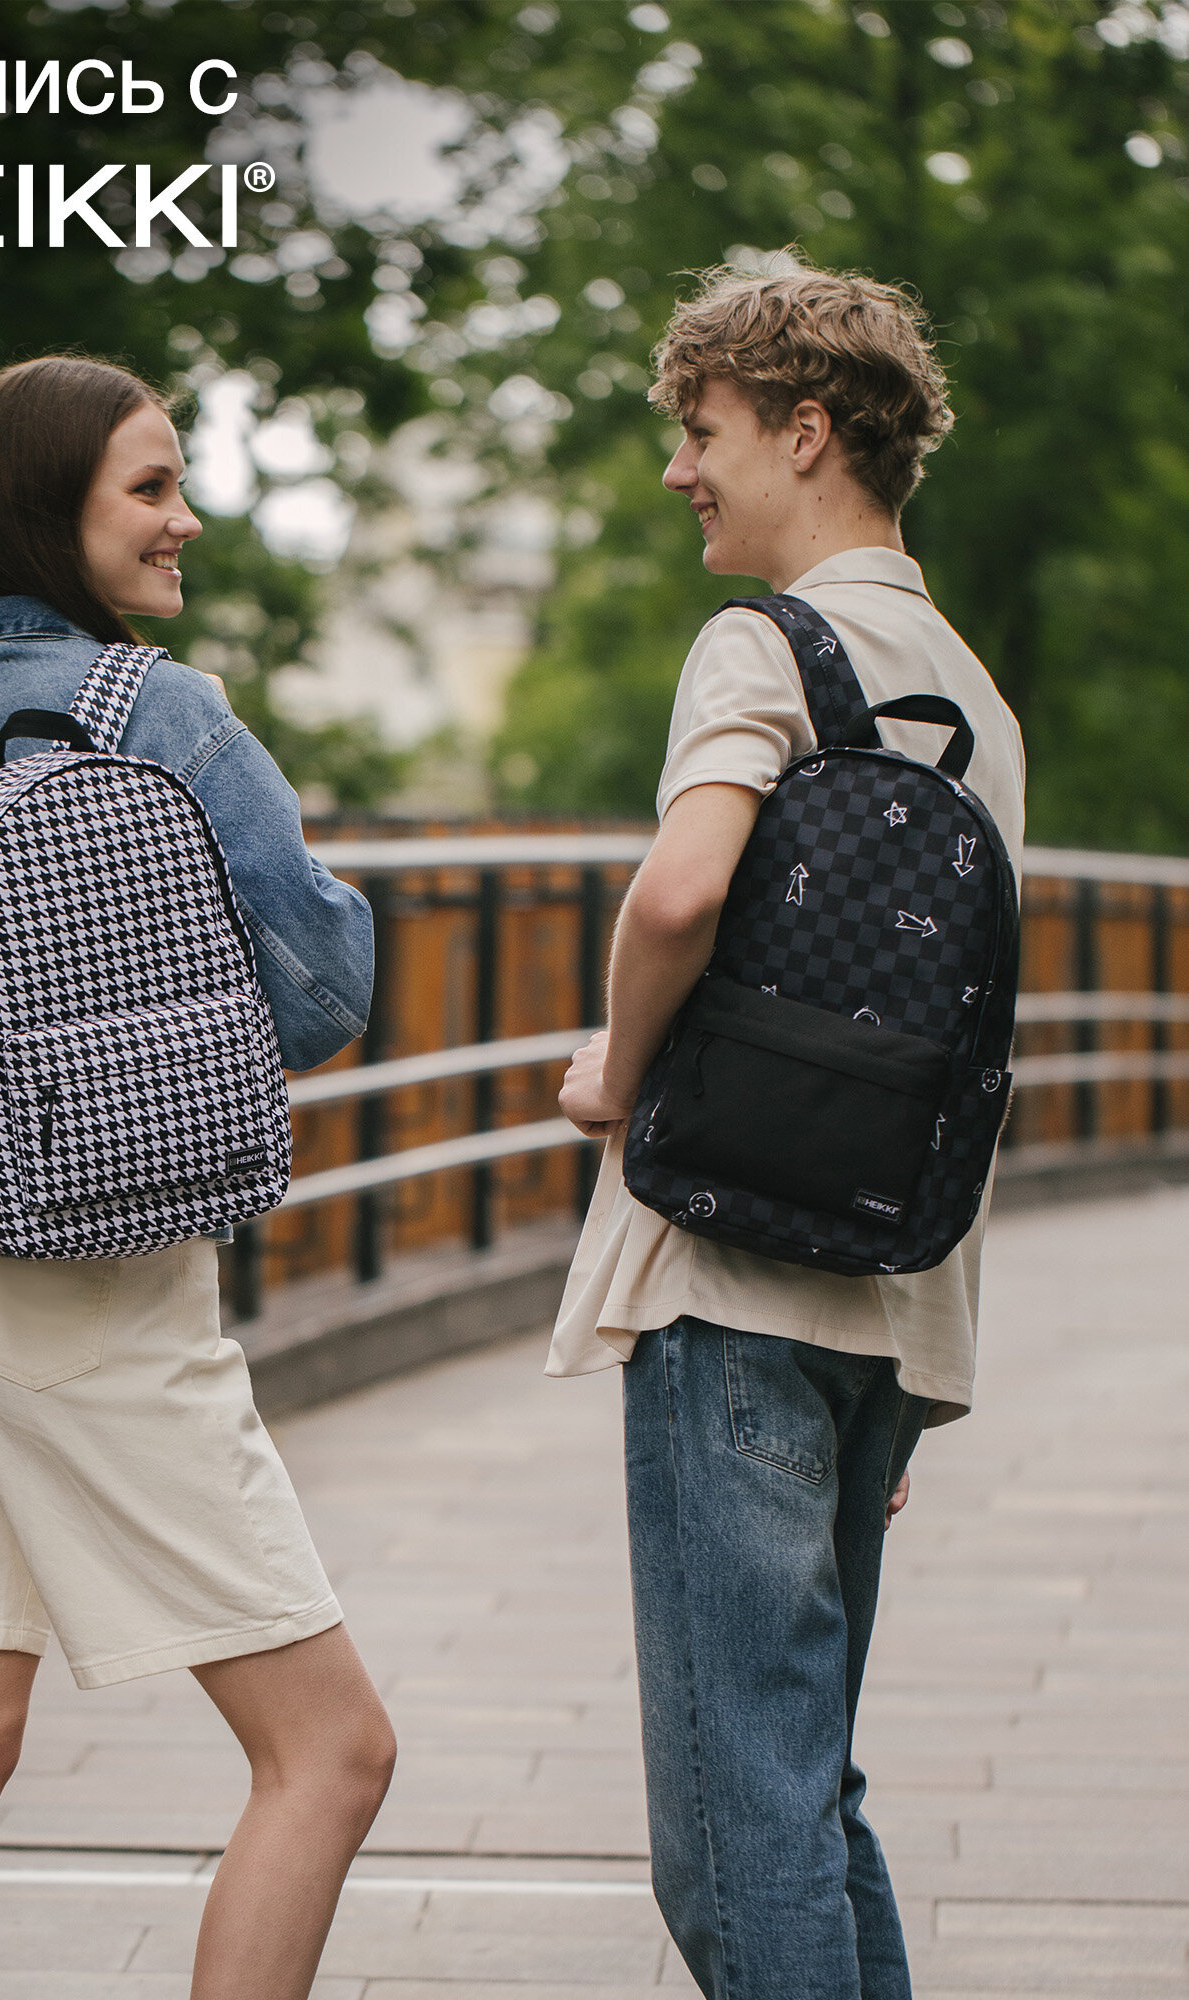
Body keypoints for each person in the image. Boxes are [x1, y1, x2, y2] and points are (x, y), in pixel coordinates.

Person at [0, 355, 396, 2000]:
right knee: (334, 1754)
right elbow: (324, 995)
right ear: (54, 507)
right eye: (149, 487)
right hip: (86, 1292)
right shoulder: (163, 713)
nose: (185, 518)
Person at [552, 260, 1025, 1999]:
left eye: (705, 428)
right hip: (892, 1294)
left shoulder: (765, 643)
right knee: (804, 1788)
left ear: (803, 431)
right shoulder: (965, 681)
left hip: (734, 1283)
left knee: (734, 1832)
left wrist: (614, 1066)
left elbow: (681, 892)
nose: (682, 465)